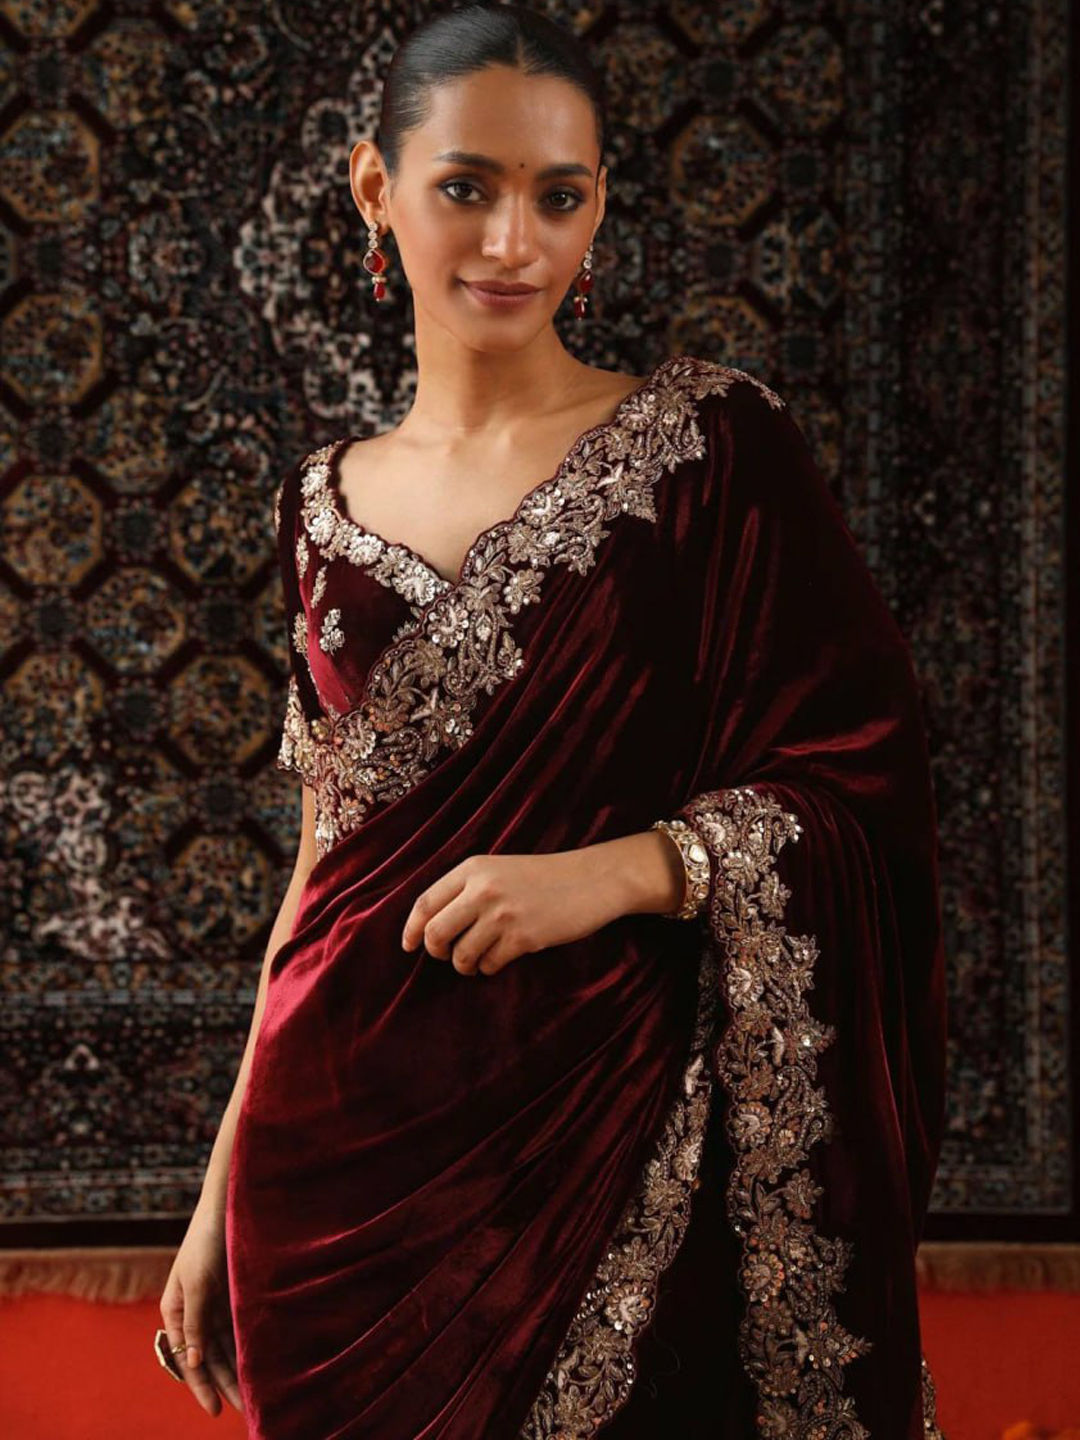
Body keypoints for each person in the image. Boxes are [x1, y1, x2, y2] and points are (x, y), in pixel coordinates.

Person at [156, 4, 950, 1436]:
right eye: (467, 187)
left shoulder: (712, 452)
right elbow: (322, 864)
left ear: (599, 207)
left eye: (559, 196)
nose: (513, 242)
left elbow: (865, 785)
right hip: (329, 1182)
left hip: (614, 1129)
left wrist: (628, 870)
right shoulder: (318, 504)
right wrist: (217, 1203)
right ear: (376, 188)